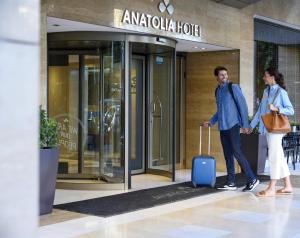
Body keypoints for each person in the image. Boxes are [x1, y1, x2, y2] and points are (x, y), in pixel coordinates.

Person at [204, 66, 259, 192]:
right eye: (221, 75)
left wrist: (245, 125)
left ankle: (252, 179)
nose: (224, 77)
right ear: (217, 77)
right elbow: (220, 111)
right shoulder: (217, 91)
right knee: (228, 155)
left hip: (233, 125)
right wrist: (211, 122)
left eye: (226, 74)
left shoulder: (233, 88)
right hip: (223, 127)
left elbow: (243, 106)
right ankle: (231, 182)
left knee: (237, 152)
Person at [249, 67, 294, 197]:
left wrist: (277, 108)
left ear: (272, 77)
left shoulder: (281, 92)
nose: (263, 78)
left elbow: (291, 110)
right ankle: (288, 186)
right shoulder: (266, 91)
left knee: (274, 158)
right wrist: (252, 126)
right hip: (267, 128)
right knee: (279, 156)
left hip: (276, 130)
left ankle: (271, 187)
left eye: (265, 76)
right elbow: (260, 111)